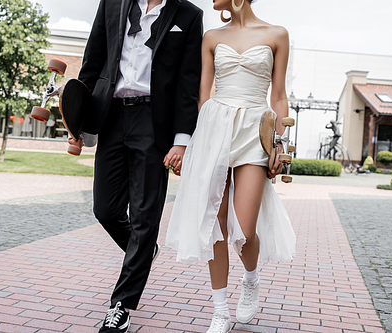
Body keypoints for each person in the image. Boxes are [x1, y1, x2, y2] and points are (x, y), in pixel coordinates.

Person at [70, 0, 203, 332]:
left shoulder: (188, 15)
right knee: (106, 209)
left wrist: (181, 141)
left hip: (153, 123)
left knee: (145, 215)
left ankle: (122, 306)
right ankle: (145, 250)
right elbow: (92, 63)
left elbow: (189, 84)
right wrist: (77, 125)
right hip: (111, 114)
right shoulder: (112, 3)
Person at [165, 0, 296, 332]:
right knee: (216, 225)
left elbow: (278, 95)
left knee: (243, 228)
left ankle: (250, 278)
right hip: (215, 129)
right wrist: (197, 144)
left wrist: (280, 143)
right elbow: (203, 96)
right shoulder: (211, 37)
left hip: (255, 130)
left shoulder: (277, 34)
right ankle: (220, 311)